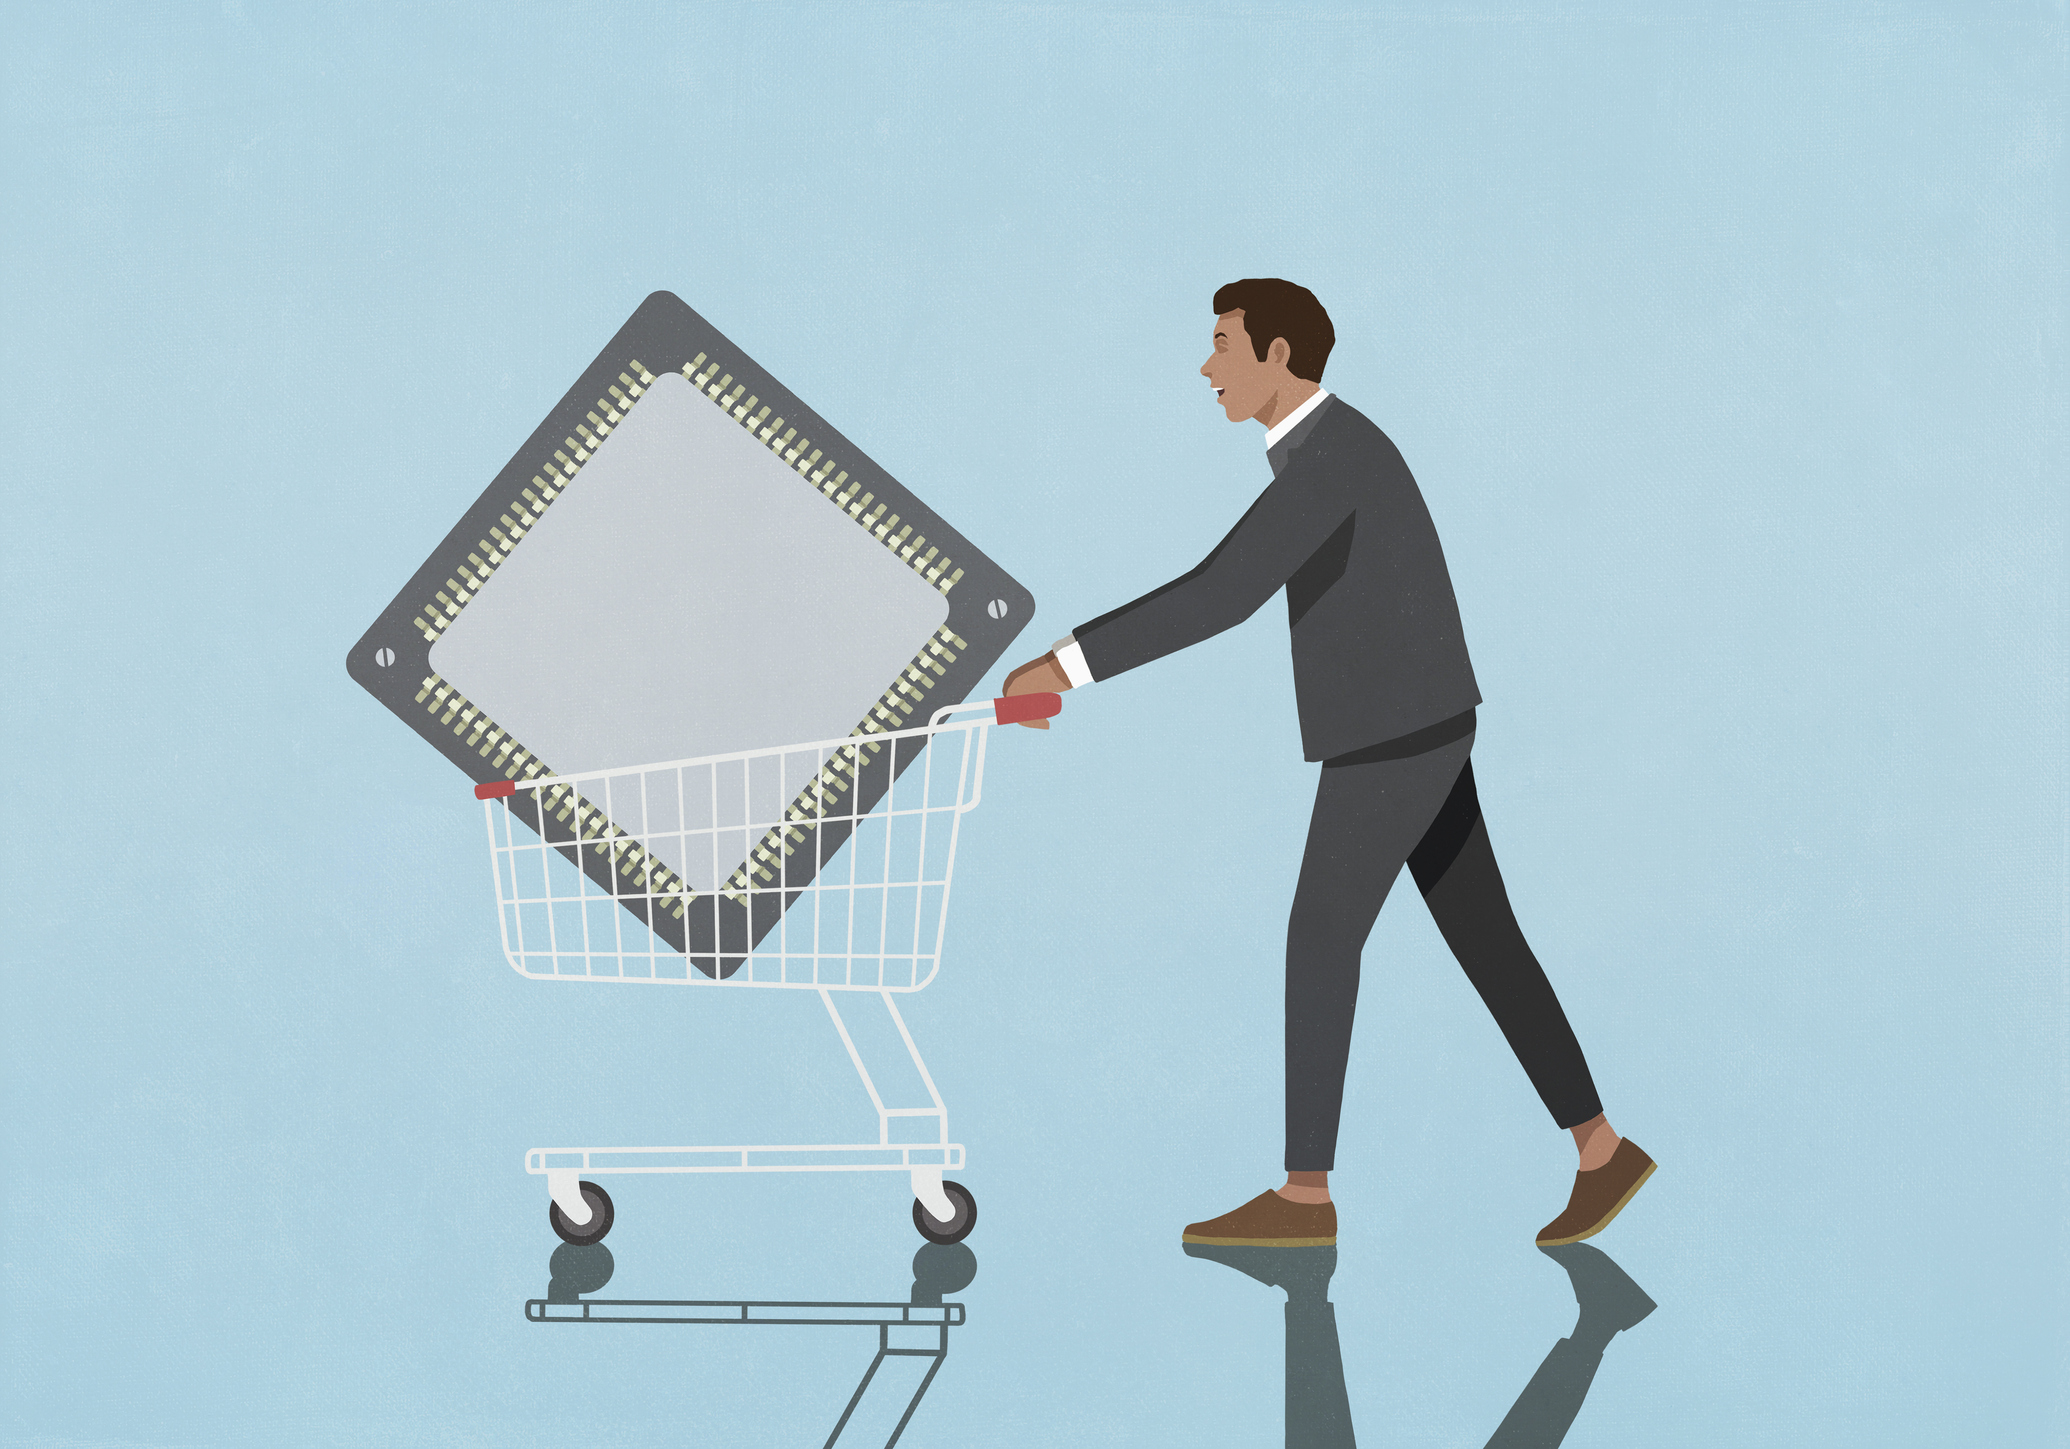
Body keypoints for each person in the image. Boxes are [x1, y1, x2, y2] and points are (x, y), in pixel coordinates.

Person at [1002, 279, 1654, 1248]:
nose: (1207, 367)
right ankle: (1602, 1149)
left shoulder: (1334, 456)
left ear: (1278, 355)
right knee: (1484, 938)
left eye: (1223, 345)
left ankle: (1306, 1198)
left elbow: (1223, 592)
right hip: (1422, 722)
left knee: (1320, 937)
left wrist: (1064, 665)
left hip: (1393, 736)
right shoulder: (1329, 451)